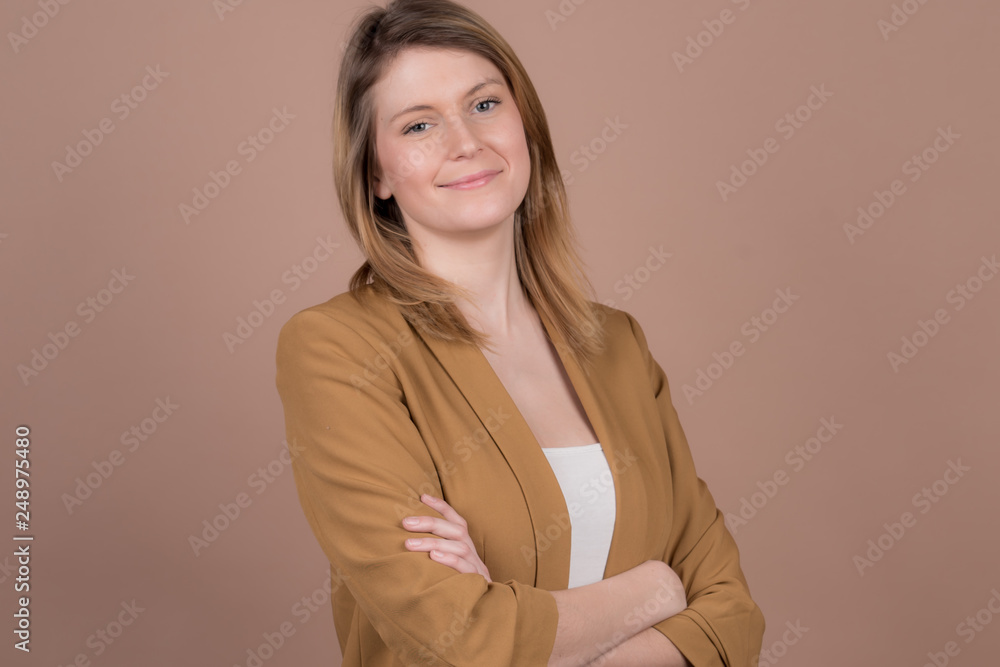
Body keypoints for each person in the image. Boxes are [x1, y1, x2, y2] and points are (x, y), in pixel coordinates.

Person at [274, 0, 765, 665]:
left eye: (483, 105)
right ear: (377, 174)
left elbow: (732, 616)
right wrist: (656, 589)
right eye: (419, 124)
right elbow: (462, 637)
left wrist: (518, 620)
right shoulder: (337, 350)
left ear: (524, 122)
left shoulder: (619, 345)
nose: (465, 142)